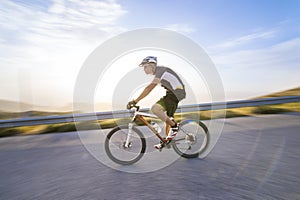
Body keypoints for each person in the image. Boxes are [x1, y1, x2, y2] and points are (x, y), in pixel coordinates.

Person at [127, 56, 186, 150]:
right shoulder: (159, 72)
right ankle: (166, 141)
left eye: (145, 67)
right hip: (172, 94)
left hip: (176, 93)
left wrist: (135, 101)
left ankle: (175, 127)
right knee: (167, 119)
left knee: (155, 108)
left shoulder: (161, 71)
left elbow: (149, 88)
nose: (144, 69)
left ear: (152, 65)